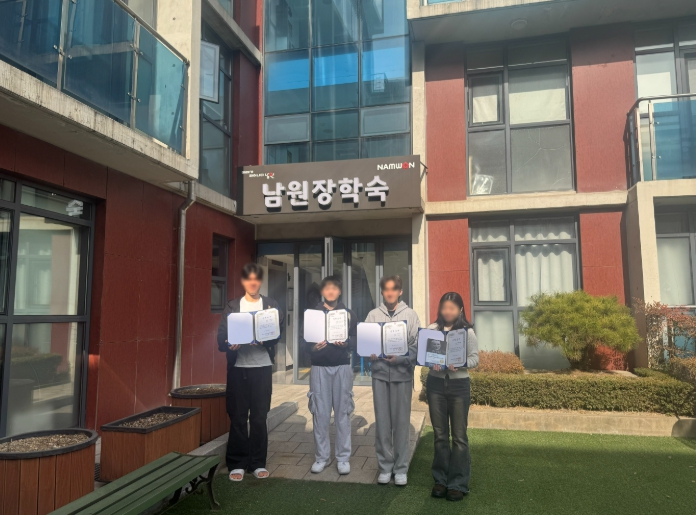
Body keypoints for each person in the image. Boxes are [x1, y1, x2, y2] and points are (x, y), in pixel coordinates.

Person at [216, 263, 285, 482]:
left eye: (256, 279)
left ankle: (257, 462)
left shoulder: (271, 305)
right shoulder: (232, 306)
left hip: (261, 368)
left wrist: (266, 340)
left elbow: (278, 333)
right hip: (238, 369)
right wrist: (230, 344)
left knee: (258, 417)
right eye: (248, 279)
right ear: (243, 281)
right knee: (237, 416)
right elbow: (221, 339)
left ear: (260, 281)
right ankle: (237, 462)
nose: (252, 283)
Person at [365, 275, 420, 486]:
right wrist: (369, 352)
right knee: (382, 423)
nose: (390, 293)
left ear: (400, 291)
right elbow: (366, 343)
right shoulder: (373, 315)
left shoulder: (410, 315)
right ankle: (385, 467)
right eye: (386, 289)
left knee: (401, 423)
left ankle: (401, 468)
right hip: (380, 374)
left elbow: (416, 347)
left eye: (393, 289)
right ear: (382, 292)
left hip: (402, 376)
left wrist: (401, 358)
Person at [426, 292, 479, 502]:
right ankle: (440, 480)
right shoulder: (432, 330)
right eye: (444, 307)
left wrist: (461, 363)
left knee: (459, 436)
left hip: (459, 385)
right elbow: (425, 356)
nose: (447, 311)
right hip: (435, 385)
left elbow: (475, 359)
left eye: (452, 308)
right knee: (440, 434)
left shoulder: (467, 332)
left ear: (460, 310)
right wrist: (431, 362)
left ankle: (458, 483)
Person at [304, 276, 358, 475]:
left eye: (335, 288)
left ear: (340, 291)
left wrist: (347, 343)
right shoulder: (313, 314)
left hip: (342, 367)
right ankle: (322, 457)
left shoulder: (348, 314)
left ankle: (343, 458)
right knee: (320, 414)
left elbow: (356, 339)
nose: (331, 291)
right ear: (322, 291)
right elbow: (303, 342)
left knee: (343, 413)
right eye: (327, 288)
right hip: (319, 367)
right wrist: (312, 348)